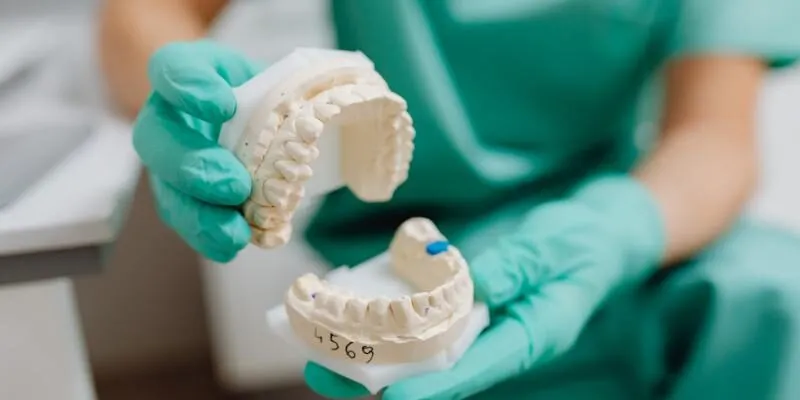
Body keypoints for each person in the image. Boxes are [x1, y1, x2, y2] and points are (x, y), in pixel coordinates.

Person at [99, 0, 800, 399]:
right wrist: (201, 103)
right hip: (391, 256)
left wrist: (620, 229)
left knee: (776, 292)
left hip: (626, 228)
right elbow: (149, 13)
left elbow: (714, 135)